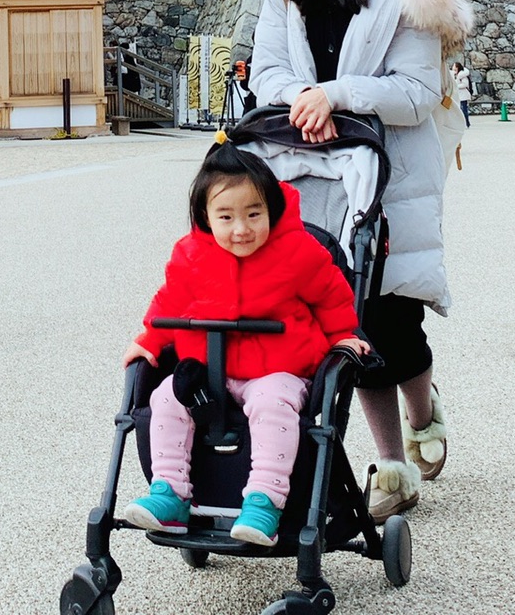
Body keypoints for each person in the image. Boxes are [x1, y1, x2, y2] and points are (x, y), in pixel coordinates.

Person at [248, 0, 474, 518]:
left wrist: (334, 94)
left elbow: (414, 92)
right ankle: (392, 465)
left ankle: (424, 410)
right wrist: (300, 101)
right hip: (312, 167)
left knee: (394, 321)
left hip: (390, 170)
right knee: (349, 321)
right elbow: (265, 72)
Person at [121, 141, 365, 545]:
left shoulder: (298, 251)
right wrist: (150, 338)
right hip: (209, 370)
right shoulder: (190, 254)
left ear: (271, 209)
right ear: (205, 217)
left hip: (277, 367)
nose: (241, 228)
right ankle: (170, 493)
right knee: (165, 398)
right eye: (226, 217)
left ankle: (264, 500)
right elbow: (170, 301)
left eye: (254, 215)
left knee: (273, 405)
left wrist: (344, 336)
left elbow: (331, 295)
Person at [451, 61, 474, 127]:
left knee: (464, 109)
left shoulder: (462, 75)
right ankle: (464, 123)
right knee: (460, 109)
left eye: (454, 66)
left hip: (463, 95)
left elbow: (465, 84)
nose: (453, 67)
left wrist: (456, 86)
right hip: (459, 95)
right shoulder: (457, 75)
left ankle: (466, 123)